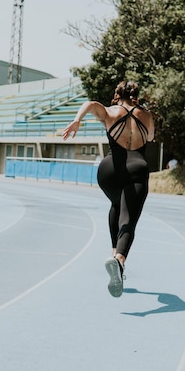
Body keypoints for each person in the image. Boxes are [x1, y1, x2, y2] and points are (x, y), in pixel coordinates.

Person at [62, 81, 155, 298]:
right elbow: (150, 137)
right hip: (137, 168)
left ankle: (114, 253)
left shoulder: (110, 112)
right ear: (136, 96)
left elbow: (91, 103)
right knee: (128, 220)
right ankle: (120, 259)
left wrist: (77, 121)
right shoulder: (147, 116)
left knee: (116, 204)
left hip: (109, 170)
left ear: (117, 94)